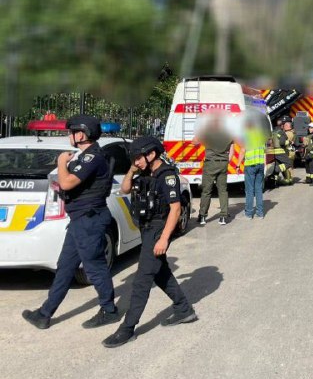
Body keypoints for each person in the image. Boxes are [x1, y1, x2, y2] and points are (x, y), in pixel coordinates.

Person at [22, 115, 120, 330]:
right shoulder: (84, 156)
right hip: (80, 220)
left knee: (94, 267)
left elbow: (67, 183)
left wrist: (60, 163)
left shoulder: (91, 157)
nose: (68, 136)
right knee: (65, 267)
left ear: (81, 134)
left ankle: (109, 310)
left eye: (70, 132)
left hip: (89, 220)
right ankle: (45, 313)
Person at [102, 137, 196, 348]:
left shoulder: (167, 176)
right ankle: (184, 310)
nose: (136, 161)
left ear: (151, 154)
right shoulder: (144, 171)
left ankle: (127, 328)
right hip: (146, 229)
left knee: (142, 279)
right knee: (160, 272)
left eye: (138, 157)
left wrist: (163, 239)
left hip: (158, 229)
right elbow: (125, 189)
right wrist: (132, 170)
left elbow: (176, 209)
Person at [194, 114, 233, 225]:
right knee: (223, 190)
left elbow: (194, 141)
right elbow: (232, 151)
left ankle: (202, 216)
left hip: (210, 164)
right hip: (223, 164)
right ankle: (224, 217)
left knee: (206, 191)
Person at [243, 115, 267, 218]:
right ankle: (260, 213)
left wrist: (238, 164)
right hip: (260, 165)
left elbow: (243, 150)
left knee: (249, 190)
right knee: (258, 190)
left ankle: (249, 214)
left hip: (250, 165)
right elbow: (264, 150)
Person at [270, 116, 294, 186]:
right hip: (280, 151)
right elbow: (282, 143)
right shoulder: (281, 132)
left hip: (272, 152)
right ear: (282, 125)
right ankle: (275, 169)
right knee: (288, 163)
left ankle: (273, 182)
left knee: (277, 164)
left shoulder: (273, 131)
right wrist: (289, 142)